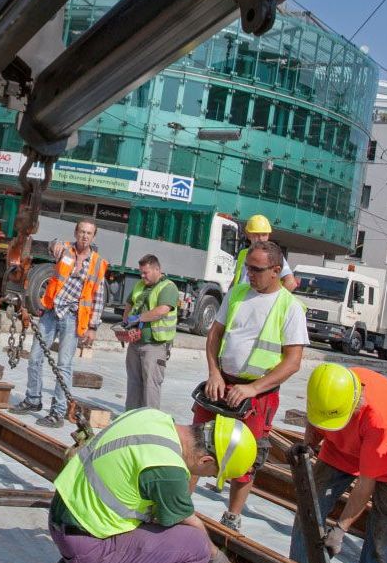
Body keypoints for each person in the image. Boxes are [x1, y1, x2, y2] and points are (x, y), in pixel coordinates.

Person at [50, 410, 256, 563]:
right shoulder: (168, 470)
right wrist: (214, 555)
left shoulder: (152, 417)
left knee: (149, 515)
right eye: (211, 473)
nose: (206, 476)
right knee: (196, 548)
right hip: (86, 545)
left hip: (63, 522)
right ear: (206, 459)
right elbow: (184, 522)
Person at [196, 239, 307, 529]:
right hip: (222, 383)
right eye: (247, 268)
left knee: (247, 455)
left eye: (256, 270)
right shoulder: (237, 293)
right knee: (196, 442)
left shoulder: (289, 307)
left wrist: (253, 388)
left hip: (257, 393)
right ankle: (180, 505)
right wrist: (214, 373)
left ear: (275, 270)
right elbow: (214, 336)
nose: (250, 275)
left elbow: (292, 361)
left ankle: (232, 516)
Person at [291, 363, 387, 563]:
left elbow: (365, 486)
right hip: (343, 447)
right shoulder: (327, 388)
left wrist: (340, 530)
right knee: (309, 504)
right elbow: (315, 419)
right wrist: (309, 445)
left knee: (382, 528)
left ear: (354, 404)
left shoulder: (378, 418)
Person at [11, 220, 108, 429]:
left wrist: (93, 327)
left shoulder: (98, 263)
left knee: (64, 365)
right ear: (76, 232)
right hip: (51, 312)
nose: (84, 236)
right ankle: (33, 399)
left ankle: (58, 411)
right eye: (81, 231)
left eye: (89, 233)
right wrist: (54, 243)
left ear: (93, 237)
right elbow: (51, 245)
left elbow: (98, 298)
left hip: (73, 317)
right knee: (35, 357)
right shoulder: (65, 250)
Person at [117, 255, 178, 410]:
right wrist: (127, 326)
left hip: (154, 346)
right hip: (136, 343)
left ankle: (149, 422)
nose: (142, 276)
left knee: (151, 385)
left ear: (157, 269)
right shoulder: (140, 285)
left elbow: (162, 310)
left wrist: (139, 318)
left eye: (146, 272)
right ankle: (130, 417)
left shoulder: (168, 287)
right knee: (133, 382)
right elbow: (129, 305)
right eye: (141, 273)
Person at [232, 215, 297, 291]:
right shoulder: (242, 254)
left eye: (264, 234)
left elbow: (291, 283)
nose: (260, 239)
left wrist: (272, 301)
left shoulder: (274, 255)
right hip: (239, 300)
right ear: (248, 235)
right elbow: (236, 280)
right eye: (256, 234)